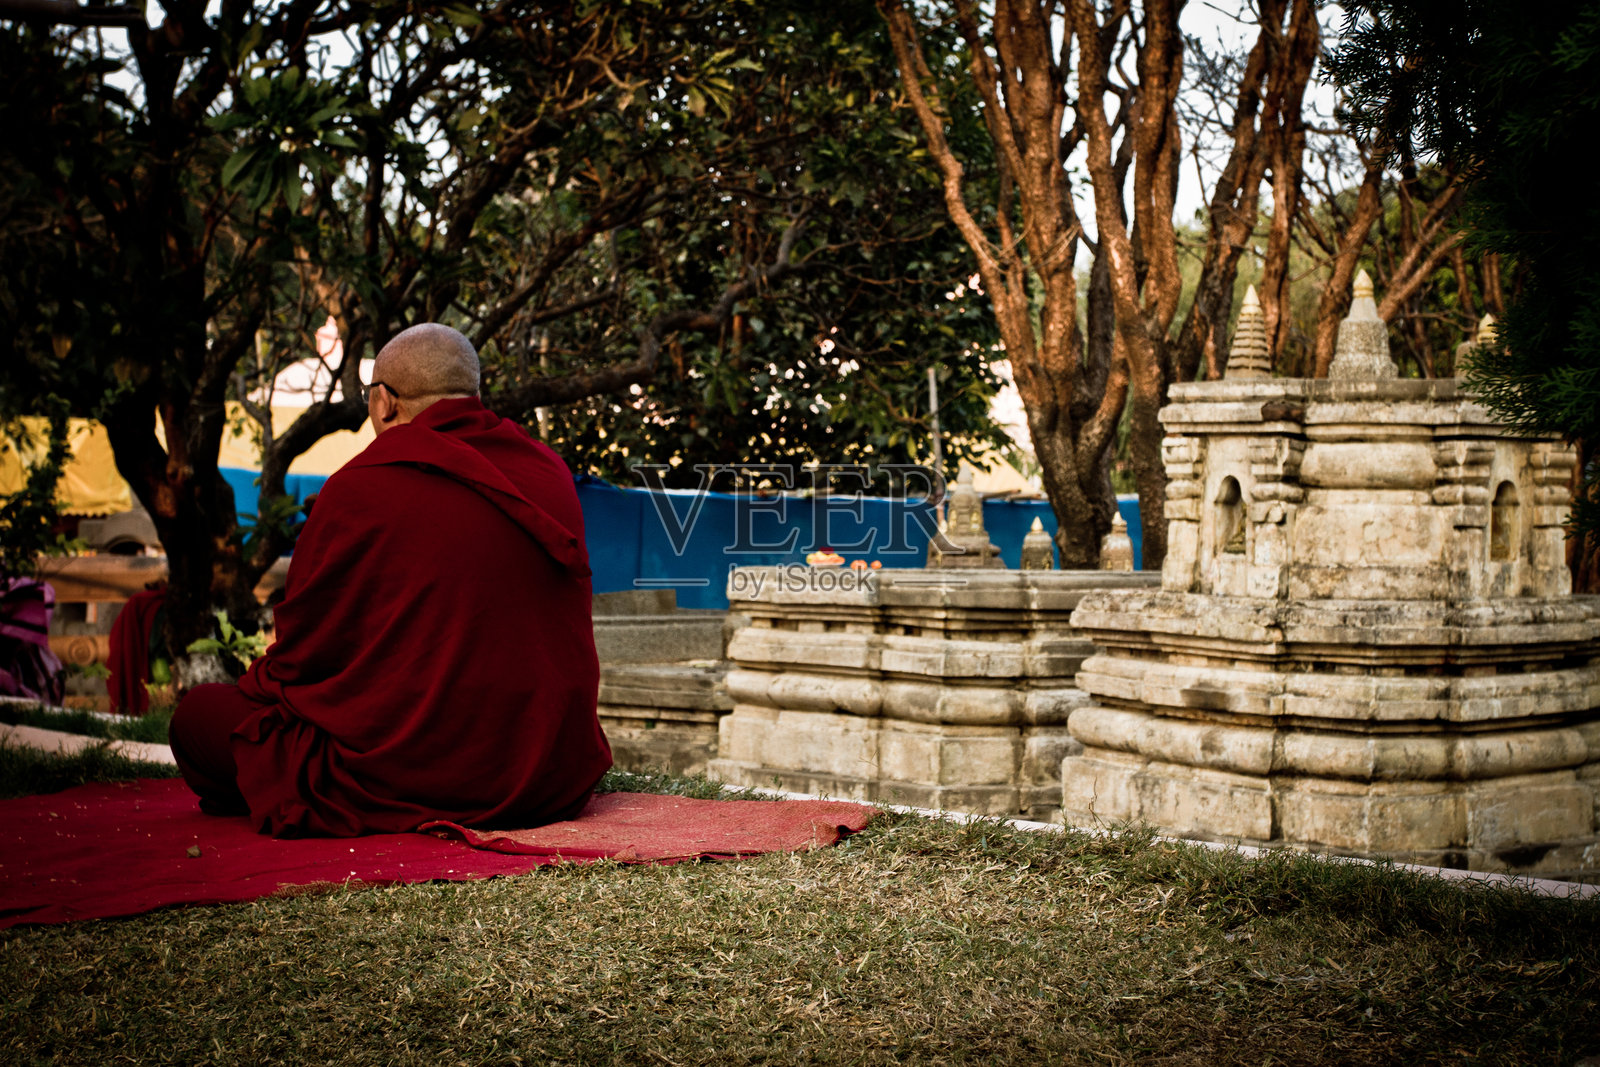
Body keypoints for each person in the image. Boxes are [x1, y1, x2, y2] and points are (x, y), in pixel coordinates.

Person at [168, 323, 612, 837]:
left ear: (383, 403)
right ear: (472, 395)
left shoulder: (359, 487)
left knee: (201, 719)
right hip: (544, 776)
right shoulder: (547, 472)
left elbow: (304, 656)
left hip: (404, 769)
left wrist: (259, 687)